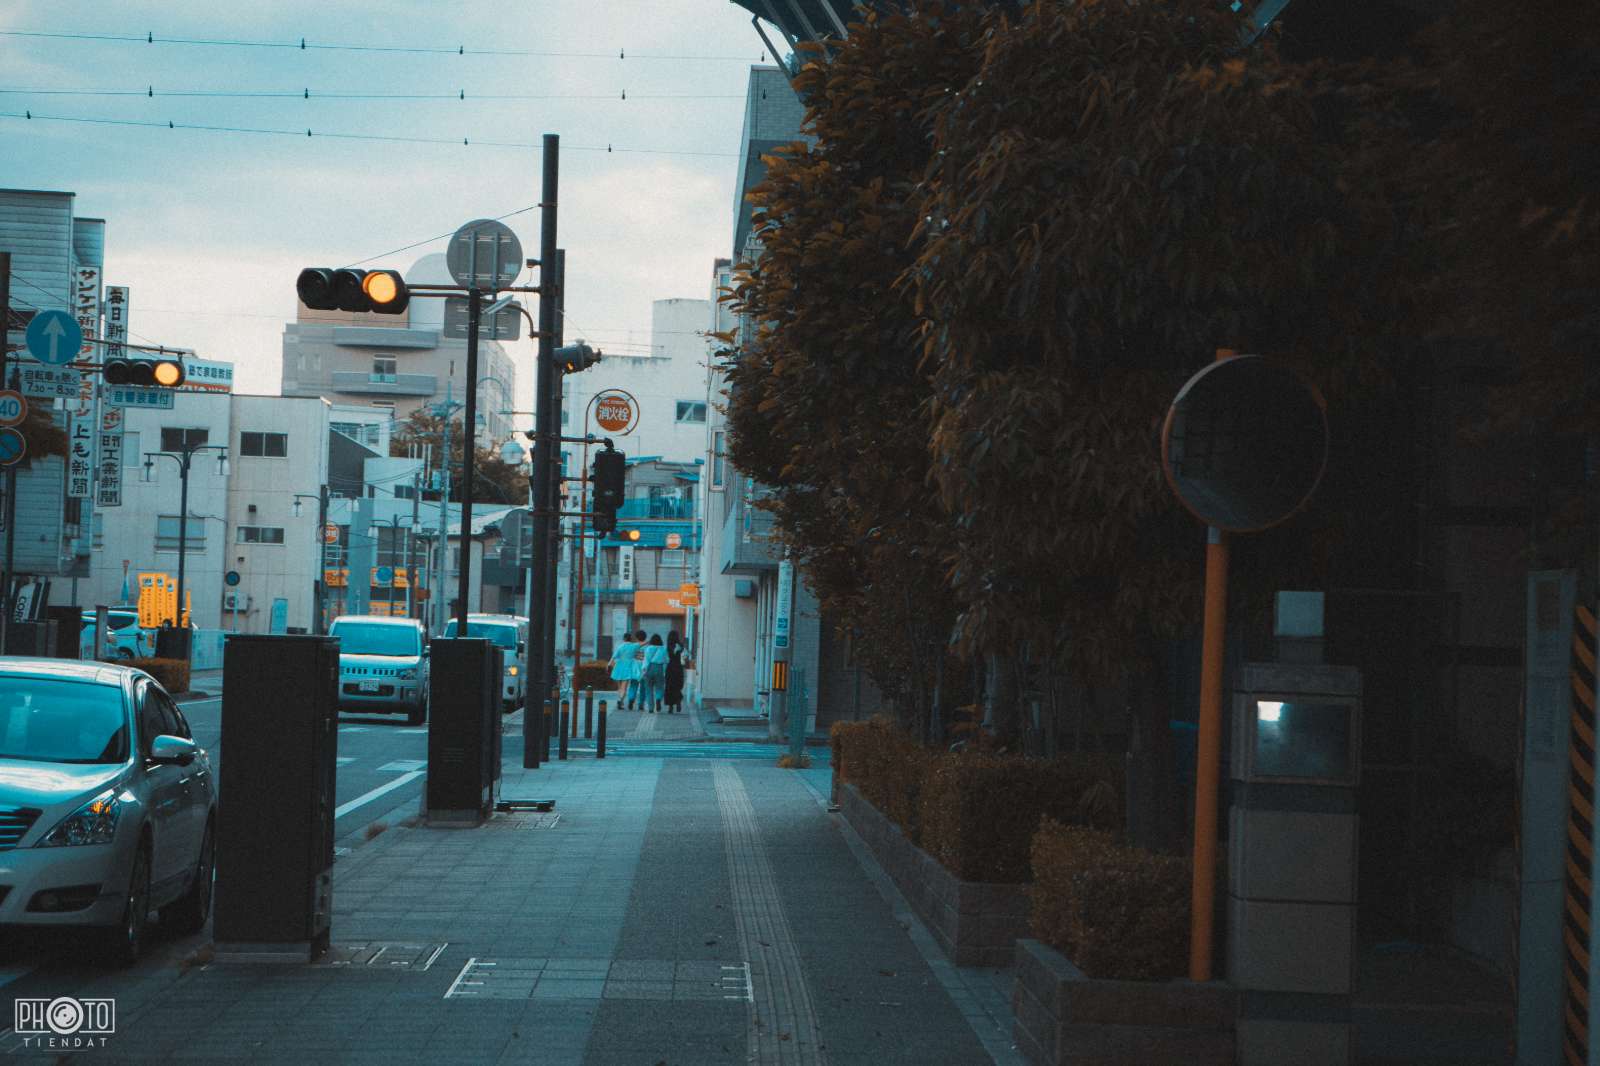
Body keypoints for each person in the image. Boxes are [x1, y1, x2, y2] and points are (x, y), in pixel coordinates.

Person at [608, 631, 639, 710]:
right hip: (628, 667)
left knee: (619, 687)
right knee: (624, 687)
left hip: (618, 666)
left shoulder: (620, 647)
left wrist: (609, 664)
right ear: (631, 639)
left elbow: (614, 656)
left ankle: (620, 700)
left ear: (624, 639)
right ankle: (620, 700)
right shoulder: (634, 646)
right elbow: (642, 643)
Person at [641, 633, 668, 712]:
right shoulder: (664, 649)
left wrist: (644, 670)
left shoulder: (648, 648)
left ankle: (650, 708)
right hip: (659, 668)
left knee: (648, 688)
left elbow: (646, 660)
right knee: (660, 686)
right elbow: (666, 660)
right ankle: (658, 699)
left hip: (649, 668)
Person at [664, 630, 688, 714]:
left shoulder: (668, 646)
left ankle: (670, 707)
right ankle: (678, 700)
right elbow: (686, 656)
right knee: (678, 686)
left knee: (669, 686)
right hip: (678, 667)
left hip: (670, 667)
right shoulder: (681, 646)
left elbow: (665, 658)